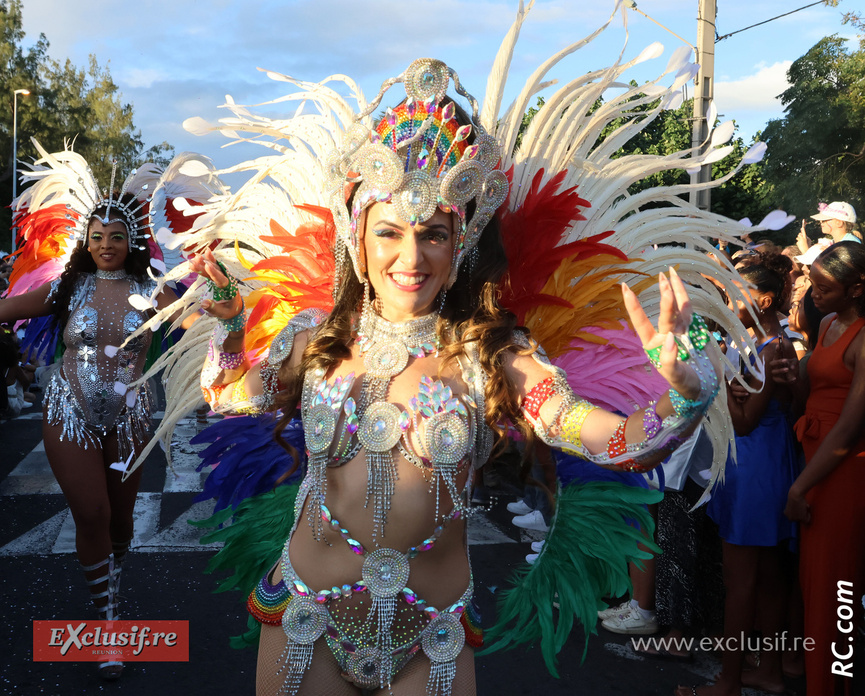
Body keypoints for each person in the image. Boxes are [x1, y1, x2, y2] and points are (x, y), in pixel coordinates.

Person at [181, 51, 733, 693]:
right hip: (308, 620)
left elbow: (616, 442)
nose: (411, 256)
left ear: (461, 243)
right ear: (357, 239)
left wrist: (684, 396)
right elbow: (227, 395)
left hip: (430, 637)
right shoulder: (316, 339)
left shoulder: (493, 354)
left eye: (434, 234)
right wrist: (229, 332)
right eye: (389, 232)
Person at [0, 145, 221, 680]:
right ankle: (106, 622)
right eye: (96, 237)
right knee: (93, 514)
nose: (105, 245)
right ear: (86, 240)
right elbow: (7, 308)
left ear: (132, 241)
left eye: (116, 237)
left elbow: (199, 323)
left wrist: (228, 315)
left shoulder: (153, 289)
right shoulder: (66, 287)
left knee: (120, 523)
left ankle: (110, 583)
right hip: (68, 413)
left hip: (130, 418)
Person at [679, 253, 799, 696]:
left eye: (735, 296)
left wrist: (718, 372)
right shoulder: (759, 342)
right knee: (766, 577)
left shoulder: (771, 348)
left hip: (755, 465)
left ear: (764, 300)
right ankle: (768, 670)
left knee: (742, 580)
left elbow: (745, 421)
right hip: (758, 462)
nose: (728, 304)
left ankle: (728, 681)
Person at [774, 240, 865, 696]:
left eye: (824, 287)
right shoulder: (827, 323)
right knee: (814, 586)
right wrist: (792, 378)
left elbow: (849, 429)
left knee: (837, 590)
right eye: (812, 283)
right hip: (813, 462)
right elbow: (808, 394)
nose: (813, 294)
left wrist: (798, 489)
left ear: (856, 288)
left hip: (842, 473)